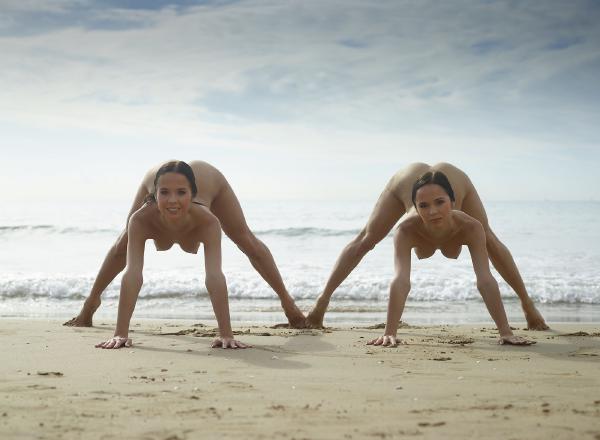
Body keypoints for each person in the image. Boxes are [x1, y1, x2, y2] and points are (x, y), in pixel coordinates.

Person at [67, 160, 306, 347]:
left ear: (192, 193)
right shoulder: (141, 218)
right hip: (158, 176)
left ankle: (288, 303)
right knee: (123, 244)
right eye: (164, 193)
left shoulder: (208, 221)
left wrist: (226, 335)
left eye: (182, 193)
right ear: (154, 194)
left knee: (246, 241)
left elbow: (214, 276)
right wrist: (120, 334)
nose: (172, 200)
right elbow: (133, 273)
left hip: (208, 176)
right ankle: (90, 304)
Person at [307, 162, 548, 345]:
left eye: (440, 203)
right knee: (367, 239)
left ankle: (528, 305)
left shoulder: (469, 225)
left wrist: (505, 332)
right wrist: (390, 332)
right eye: (424, 207)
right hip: (407, 180)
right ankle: (321, 303)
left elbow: (484, 279)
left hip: (454, 178)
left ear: (453, 202)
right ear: (416, 207)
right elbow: (401, 280)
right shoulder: (406, 229)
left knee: (490, 240)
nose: (432, 212)